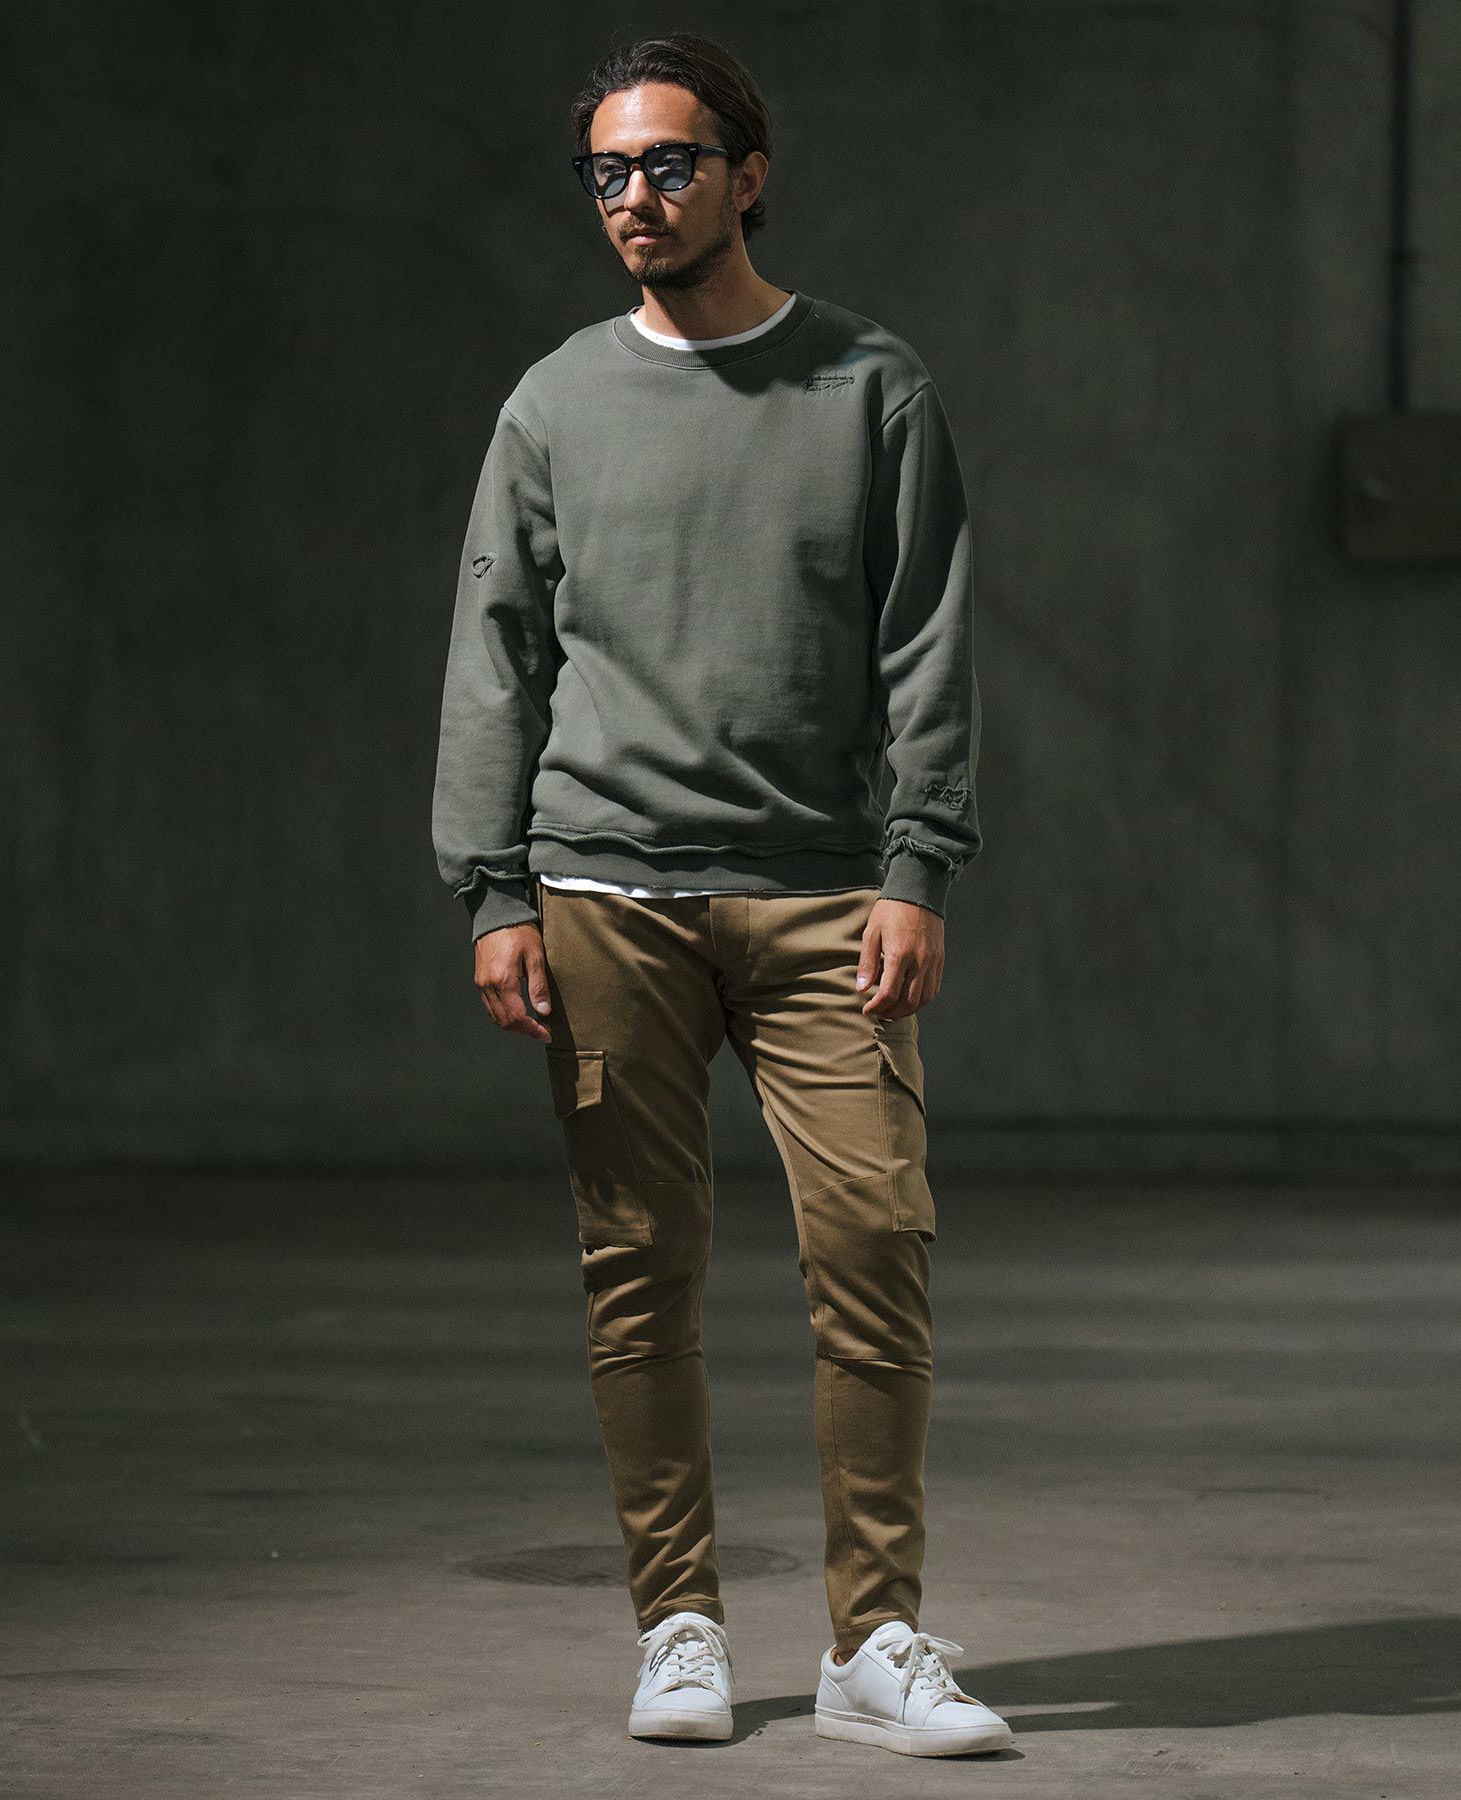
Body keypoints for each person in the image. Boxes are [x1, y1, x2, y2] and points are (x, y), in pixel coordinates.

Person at [431, 30, 1012, 1759]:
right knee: (637, 1268)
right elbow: (495, 656)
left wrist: (919, 861)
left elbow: (928, 641)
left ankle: (874, 1641)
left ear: (748, 177)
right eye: (608, 171)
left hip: (825, 895)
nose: (636, 196)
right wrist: (492, 892)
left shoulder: (868, 386)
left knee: (875, 1247)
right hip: (603, 891)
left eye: (669, 164)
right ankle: (677, 1625)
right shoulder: (554, 402)